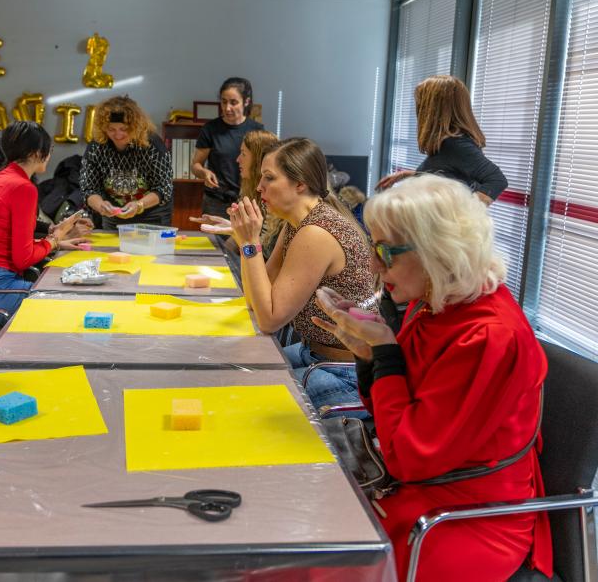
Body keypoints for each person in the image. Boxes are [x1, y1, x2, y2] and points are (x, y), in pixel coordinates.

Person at [312, 174, 551, 581]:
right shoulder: (436, 304)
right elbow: (393, 419)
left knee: (314, 558)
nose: (373, 264)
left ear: (437, 251)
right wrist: (369, 354)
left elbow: (409, 456)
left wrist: (385, 351)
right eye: (373, 247)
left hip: (464, 515)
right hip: (423, 486)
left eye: (386, 251)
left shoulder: (488, 336)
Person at [228, 137, 375, 412]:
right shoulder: (299, 222)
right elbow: (255, 298)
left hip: (345, 373)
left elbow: (270, 320)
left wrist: (249, 243)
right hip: (314, 352)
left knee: (247, 404)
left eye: (269, 178)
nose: (259, 187)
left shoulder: (316, 232)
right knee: (234, 366)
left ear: (300, 183)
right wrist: (246, 240)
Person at [0, 121, 88, 324]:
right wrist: (55, 238)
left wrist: (54, 237)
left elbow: (9, 232)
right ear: (36, 153)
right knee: (71, 304)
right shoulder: (23, 187)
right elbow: (22, 259)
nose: (49, 155)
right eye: (48, 150)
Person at [377, 75, 508, 204]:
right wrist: (406, 174)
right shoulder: (447, 144)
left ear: (432, 109)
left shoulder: (455, 144)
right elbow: (448, 176)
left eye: (421, 103)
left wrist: (464, 213)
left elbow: (497, 180)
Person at [79, 96, 173, 229]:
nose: (118, 135)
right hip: (113, 218)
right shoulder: (96, 147)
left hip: (152, 217)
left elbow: (163, 188)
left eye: (124, 129)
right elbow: (88, 188)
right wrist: (100, 205)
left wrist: (139, 205)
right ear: (103, 128)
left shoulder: (152, 145)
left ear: (136, 126)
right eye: (111, 129)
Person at [191, 129, 283, 259]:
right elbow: (247, 248)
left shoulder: (275, 203)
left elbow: (257, 253)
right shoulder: (249, 190)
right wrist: (231, 229)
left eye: (243, 154)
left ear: (258, 159)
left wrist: (239, 234)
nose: (237, 159)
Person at [192, 77, 264, 218]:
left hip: (246, 201)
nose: (227, 108)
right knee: (212, 239)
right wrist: (204, 173)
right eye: (224, 102)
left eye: (233, 102)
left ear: (246, 102)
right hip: (216, 200)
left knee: (242, 240)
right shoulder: (210, 129)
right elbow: (196, 164)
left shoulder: (257, 130)